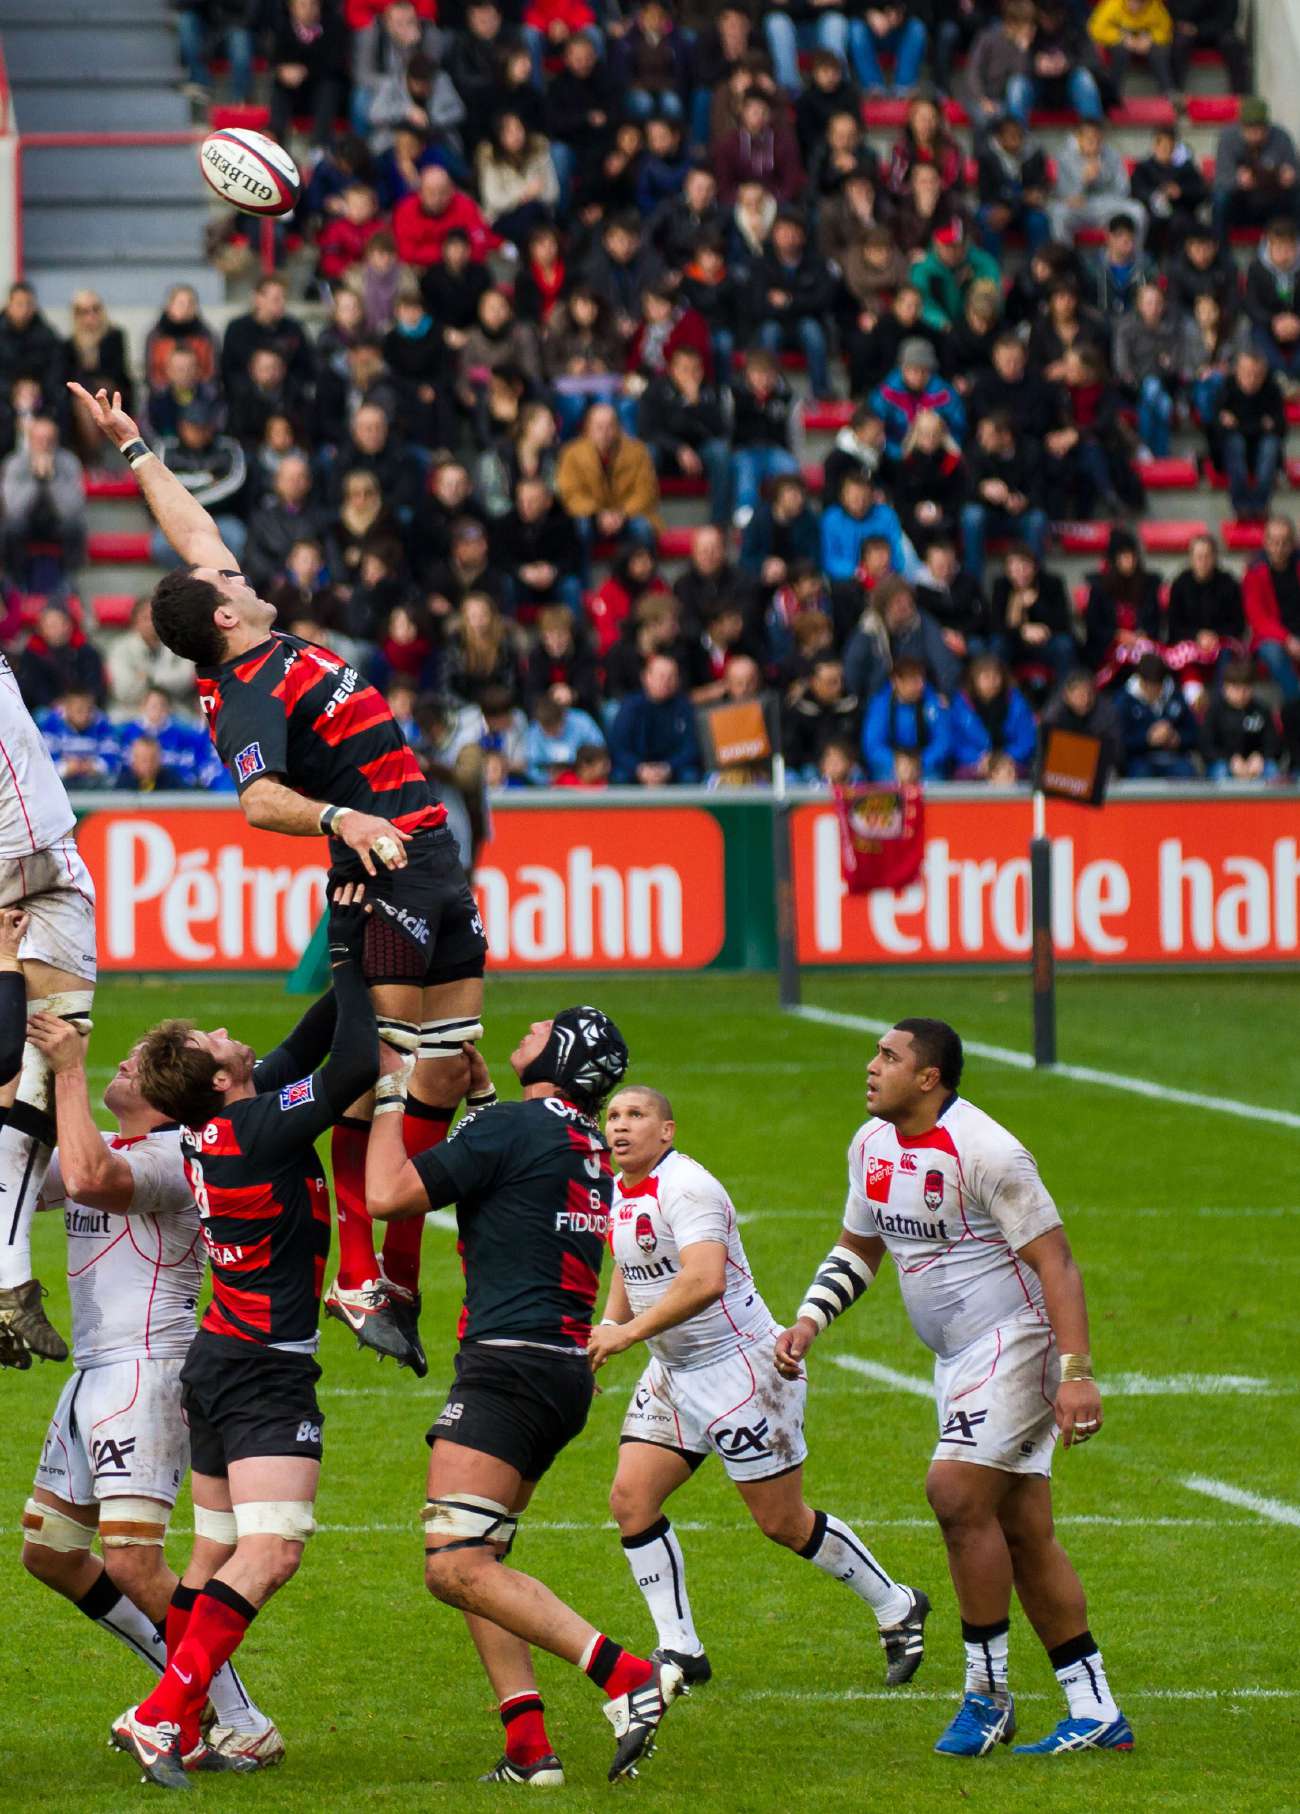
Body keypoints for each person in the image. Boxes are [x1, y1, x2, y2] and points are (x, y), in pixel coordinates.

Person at [71, 380, 488, 1375]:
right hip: (378, 863)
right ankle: (370, 1272)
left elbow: (194, 530)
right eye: (233, 582)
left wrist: (135, 450)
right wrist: (344, 818)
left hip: (429, 852)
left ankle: (379, 1278)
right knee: (368, 1075)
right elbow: (258, 803)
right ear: (226, 616)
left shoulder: (242, 629)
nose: (246, 575)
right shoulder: (249, 692)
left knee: (437, 1066)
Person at [776, 1018, 1132, 1758]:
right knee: (1024, 1531)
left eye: (889, 1057)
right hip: (958, 1358)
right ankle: (1094, 1708)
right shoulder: (870, 1145)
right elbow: (860, 1244)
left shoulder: (988, 1151)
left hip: (1017, 1343)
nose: (871, 1065)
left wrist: (1076, 1372)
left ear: (929, 1078)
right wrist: (809, 1322)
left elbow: (1057, 1262)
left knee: (954, 1493)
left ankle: (987, 1694)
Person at [363, 1008, 688, 1785]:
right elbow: (513, 1187)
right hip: (558, 1374)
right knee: (484, 1558)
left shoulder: (516, 1126)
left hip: (507, 1370)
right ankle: (527, 1746)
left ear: (563, 1051)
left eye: (544, 1025)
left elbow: (386, 1194)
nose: (527, 1025)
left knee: (452, 1566)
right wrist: (478, 1110)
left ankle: (627, 1677)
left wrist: (387, 1097)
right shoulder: (577, 1138)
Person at [107, 892, 378, 1787]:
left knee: (213, 1554)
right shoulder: (258, 1129)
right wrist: (349, 957)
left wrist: (365, 941)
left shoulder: (222, 1124)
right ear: (221, 1079)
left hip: (218, 1358)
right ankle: (163, 1716)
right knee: (275, 1551)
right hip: (264, 1371)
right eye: (217, 1039)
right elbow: (355, 1064)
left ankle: (180, 1721)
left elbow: (314, 1040)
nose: (231, 1030)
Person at [594, 1084, 928, 1685]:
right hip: (672, 1373)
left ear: (667, 1131)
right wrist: (611, 1326)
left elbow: (704, 1281)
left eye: (636, 1115)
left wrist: (625, 1335)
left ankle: (897, 1606)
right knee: (631, 1500)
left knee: (782, 1523)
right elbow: (629, 1260)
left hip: (741, 1373)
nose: (620, 1126)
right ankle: (680, 1650)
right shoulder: (617, 1187)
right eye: (612, 1116)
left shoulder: (690, 1188)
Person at [18, 1013, 282, 1769]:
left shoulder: (172, 1156)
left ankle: (235, 1715)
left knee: (134, 1561)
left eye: (135, 1066)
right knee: (51, 1552)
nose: (123, 1068)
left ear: (170, 1096)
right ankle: (181, 1692)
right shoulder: (123, 1145)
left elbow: (91, 1180)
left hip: (147, 1371)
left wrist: (69, 1070)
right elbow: (37, 1180)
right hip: (94, 1372)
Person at [0, 653, 97, 1365]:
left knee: (43, 1049)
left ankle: (7, 1279)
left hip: (43, 849)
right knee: (28, 1049)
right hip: (17, 843)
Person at [1, 415, 87, 581]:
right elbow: (14, 510)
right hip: (26, 522)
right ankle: (15, 583)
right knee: (9, 528)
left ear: (56, 441)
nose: (44, 445)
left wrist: (50, 479)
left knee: (75, 526)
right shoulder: (14, 463)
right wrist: (35, 479)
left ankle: (71, 583)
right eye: (39, 439)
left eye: (49, 440)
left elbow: (71, 510)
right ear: (30, 440)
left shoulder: (69, 462)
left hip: (57, 522)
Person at [607, 652, 702, 786]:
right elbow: (617, 748)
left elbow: (691, 748)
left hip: (672, 768)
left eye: (671, 677)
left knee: (690, 776)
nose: (666, 682)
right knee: (619, 777)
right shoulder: (630, 706)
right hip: (637, 768)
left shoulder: (684, 707)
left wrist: (668, 768)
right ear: (646, 677)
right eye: (661, 676)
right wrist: (639, 769)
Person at [1216, 347, 1285, 518]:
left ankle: (1260, 505)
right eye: (1247, 373)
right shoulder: (1227, 387)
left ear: (1264, 374)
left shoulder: (1272, 389)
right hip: (1234, 451)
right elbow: (1217, 428)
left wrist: (1240, 424)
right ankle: (1240, 505)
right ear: (1237, 371)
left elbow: (1280, 428)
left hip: (1261, 451)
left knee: (1270, 446)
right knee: (1234, 442)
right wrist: (1258, 425)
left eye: (1257, 375)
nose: (1252, 380)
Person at [1242, 515, 1300, 703]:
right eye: (1274, 542)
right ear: (1265, 542)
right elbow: (1258, 619)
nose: (1279, 548)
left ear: (1293, 544)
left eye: (1285, 542)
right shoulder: (1254, 571)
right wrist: (1288, 639)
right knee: (1273, 652)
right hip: (1271, 638)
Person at [1200, 659, 1281, 780]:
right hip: (1224, 764)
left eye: (1246, 688)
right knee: (1220, 771)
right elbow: (1205, 746)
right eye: (1236, 688)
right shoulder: (1214, 711)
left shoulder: (1261, 710)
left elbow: (1274, 743)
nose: (1242, 694)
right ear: (1225, 688)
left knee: (1272, 770)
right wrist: (1230, 760)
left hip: (1256, 765)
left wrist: (1261, 757)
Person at [1087, 0, 1174, 99]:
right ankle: (1113, 93)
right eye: (1132, 2)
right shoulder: (1112, 4)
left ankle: (1168, 91)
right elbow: (1095, 29)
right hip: (1120, 40)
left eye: (1140, 4)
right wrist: (1121, 37)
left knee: (1160, 51)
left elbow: (1165, 29)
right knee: (1120, 52)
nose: (1135, 7)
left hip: (1145, 41)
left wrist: (1151, 38)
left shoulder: (1155, 6)